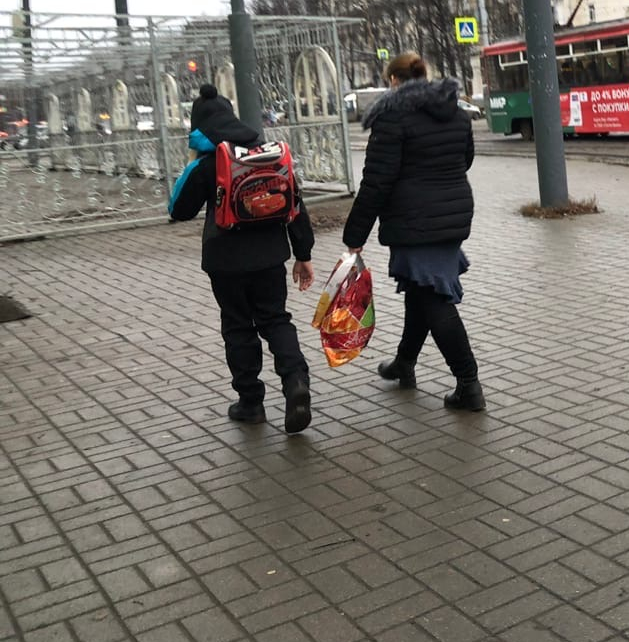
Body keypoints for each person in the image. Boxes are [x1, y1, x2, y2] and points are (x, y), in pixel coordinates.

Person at [168, 84, 316, 433]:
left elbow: (179, 210)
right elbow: (295, 203)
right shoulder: (267, 154)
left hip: (226, 261)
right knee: (276, 320)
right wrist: (303, 254)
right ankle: (296, 381)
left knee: (238, 327)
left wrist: (190, 172)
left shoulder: (208, 163)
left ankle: (251, 403)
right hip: (270, 257)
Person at [342, 52, 485, 411]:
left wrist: (354, 236)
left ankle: (469, 383)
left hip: (415, 219)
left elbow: (376, 182)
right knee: (421, 290)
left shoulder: (392, 117)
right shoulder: (454, 111)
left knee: (435, 299)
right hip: (452, 213)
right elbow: (464, 159)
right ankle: (405, 362)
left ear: (393, 80)